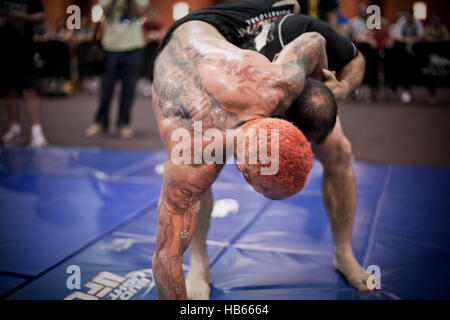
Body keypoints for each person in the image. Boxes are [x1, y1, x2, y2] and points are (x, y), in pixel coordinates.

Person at [151, 0, 368, 300]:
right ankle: (199, 263)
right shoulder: (189, 153)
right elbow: (166, 256)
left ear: (283, 119)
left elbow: (314, 41)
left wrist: (326, 88)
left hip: (239, 31)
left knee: (339, 150)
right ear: (239, 167)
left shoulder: (280, 84)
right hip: (188, 39)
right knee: (193, 193)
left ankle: (344, 252)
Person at [85, 0, 148, 139]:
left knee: (129, 89)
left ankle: (124, 123)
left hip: (133, 47)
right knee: (105, 88)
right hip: (110, 47)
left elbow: (140, 14)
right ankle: (101, 122)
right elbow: (105, 12)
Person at [0, 0, 48, 147]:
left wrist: (21, 16)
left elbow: (41, 16)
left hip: (25, 50)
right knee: (9, 90)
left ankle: (36, 131)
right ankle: (15, 129)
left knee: (30, 89)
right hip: (5, 49)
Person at [388, 9, 424, 103]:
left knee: (409, 71)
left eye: (408, 15)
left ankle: (407, 91)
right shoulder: (401, 22)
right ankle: (393, 90)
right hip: (400, 51)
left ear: (412, 15)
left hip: (412, 51)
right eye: (405, 15)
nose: (407, 17)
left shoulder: (417, 23)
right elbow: (396, 36)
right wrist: (407, 40)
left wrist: (411, 40)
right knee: (395, 70)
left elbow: (421, 36)